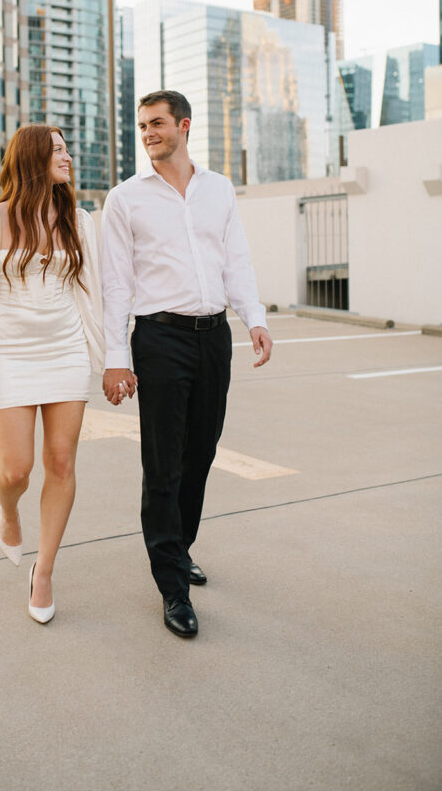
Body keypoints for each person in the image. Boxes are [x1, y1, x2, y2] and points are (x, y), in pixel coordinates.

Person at [101, 90, 272, 639]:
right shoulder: (125, 199)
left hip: (213, 336)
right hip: (159, 338)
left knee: (201, 452)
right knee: (163, 463)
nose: (148, 133)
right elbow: (116, 286)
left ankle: (179, 546)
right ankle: (172, 584)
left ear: (184, 125)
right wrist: (115, 358)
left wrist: (255, 319)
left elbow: (236, 258)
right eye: (143, 125)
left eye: (157, 123)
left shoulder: (218, 189)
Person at [0, 124, 105, 624]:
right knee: (16, 469)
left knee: (61, 463)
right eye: (57, 150)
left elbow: (91, 295)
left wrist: (108, 361)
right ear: (33, 158)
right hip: (9, 354)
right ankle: (9, 511)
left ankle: (44, 571)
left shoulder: (78, 221)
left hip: (65, 351)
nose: (67, 156)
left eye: (66, 148)